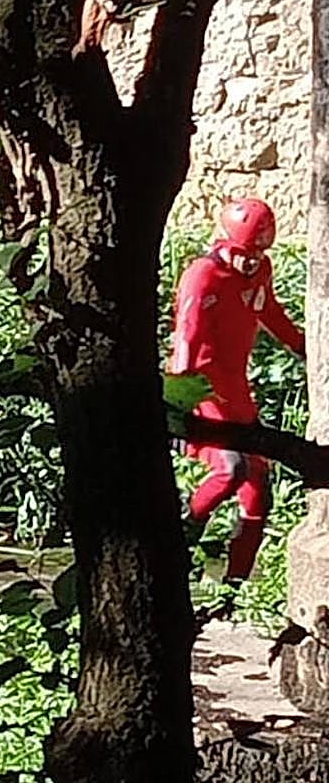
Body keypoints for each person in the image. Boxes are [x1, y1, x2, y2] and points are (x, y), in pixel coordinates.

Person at [169, 197, 305, 585]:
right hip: (203, 389)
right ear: (225, 243)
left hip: (237, 391)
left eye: (259, 253)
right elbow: (187, 337)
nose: (252, 261)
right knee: (231, 469)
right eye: (245, 253)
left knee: (258, 489)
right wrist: (180, 399)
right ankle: (179, 538)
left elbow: (268, 310)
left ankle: (234, 587)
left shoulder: (259, 270)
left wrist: (301, 346)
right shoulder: (202, 275)